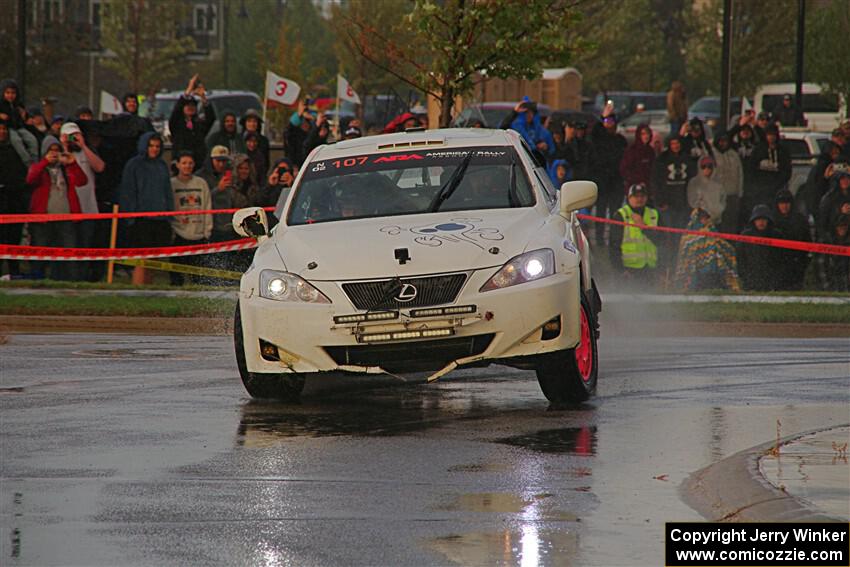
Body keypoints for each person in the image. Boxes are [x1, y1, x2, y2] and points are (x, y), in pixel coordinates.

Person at [26, 135, 88, 281]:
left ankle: (71, 280)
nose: (54, 154)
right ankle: (37, 280)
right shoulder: (38, 167)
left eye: (57, 150)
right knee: (40, 250)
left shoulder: (66, 168)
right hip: (42, 218)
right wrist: (44, 162)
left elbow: (82, 181)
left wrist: (73, 163)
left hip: (66, 217)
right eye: (51, 151)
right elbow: (30, 179)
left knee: (69, 250)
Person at [118, 132, 173, 284]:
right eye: (151, 145)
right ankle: (138, 290)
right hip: (140, 219)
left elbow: (167, 190)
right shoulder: (134, 165)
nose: (154, 149)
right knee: (141, 259)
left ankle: (149, 290)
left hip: (160, 219)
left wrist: (169, 214)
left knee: (154, 260)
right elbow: (128, 192)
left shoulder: (162, 165)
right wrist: (130, 218)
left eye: (157, 146)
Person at [59, 122, 106, 281]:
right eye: (69, 136)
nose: (73, 139)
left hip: (88, 208)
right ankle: (69, 277)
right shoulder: (58, 152)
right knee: (69, 245)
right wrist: (64, 146)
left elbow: (100, 167)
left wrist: (83, 145)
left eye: (75, 135)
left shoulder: (86, 152)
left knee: (86, 244)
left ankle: (83, 277)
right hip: (67, 209)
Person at [170, 151, 212, 286]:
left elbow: (207, 206)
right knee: (176, 275)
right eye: (184, 163)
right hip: (179, 233)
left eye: (190, 163)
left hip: (199, 234)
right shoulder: (171, 184)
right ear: (177, 165)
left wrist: (207, 231)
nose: (187, 166)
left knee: (198, 277)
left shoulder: (201, 183)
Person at [675, 208, 741, 291]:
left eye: (706, 218)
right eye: (702, 218)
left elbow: (720, 242)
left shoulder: (712, 230)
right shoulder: (687, 235)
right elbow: (686, 250)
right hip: (695, 269)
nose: (705, 220)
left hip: (713, 267)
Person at [608, 183, 661, 288]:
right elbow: (614, 245)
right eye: (636, 196)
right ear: (629, 198)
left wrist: (643, 227)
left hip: (649, 269)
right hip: (628, 271)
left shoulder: (654, 214)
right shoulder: (620, 215)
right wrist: (620, 270)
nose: (639, 199)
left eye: (642, 196)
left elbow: (661, 241)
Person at [590, 102, 627, 244]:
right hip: (602, 181)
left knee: (614, 212)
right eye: (606, 121)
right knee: (600, 210)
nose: (609, 124)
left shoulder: (620, 140)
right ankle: (599, 239)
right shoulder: (599, 138)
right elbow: (595, 133)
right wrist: (602, 118)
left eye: (611, 121)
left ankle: (614, 239)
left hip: (616, 182)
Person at [0, 119, 29, 277]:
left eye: (4, 129)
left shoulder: (12, 151)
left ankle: (14, 272)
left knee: (13, 239)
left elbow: (20, 177)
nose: (2, 132)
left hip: (13, 204)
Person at [169, 74, 216, 171]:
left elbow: (211, 118)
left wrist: (203, 97)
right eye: (187, 106)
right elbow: (176, 112)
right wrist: (188, 91)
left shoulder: (198, 124)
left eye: (193, 106)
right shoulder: (177, 123)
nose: (190, 108)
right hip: (180, 164)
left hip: (197, 164)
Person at [746, 124, 791, 213]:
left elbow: (787, 170)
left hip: (777, 188)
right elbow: (751, 168)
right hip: (761, 188)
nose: (771, 137)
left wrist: (779, 182)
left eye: (773, 135)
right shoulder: (759, 150)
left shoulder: (782, 151)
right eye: (769, 135)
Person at [737, 204, 783, 291]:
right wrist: (746, 279)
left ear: (768, 220)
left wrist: (776, 281)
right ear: (753, 220)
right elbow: (740, 260)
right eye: (758, 219)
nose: (761, 222)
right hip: (750, 283)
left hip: (772, 284)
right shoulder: (745, 236)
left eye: (764, 219)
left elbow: (781, 260)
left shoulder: (777, 235)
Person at [652, 135, 694, 229]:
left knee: (682, 227)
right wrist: (660, 201)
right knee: (669, 228)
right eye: (673, 143)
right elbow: (656, 181)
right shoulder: (662, 159)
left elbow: (692, 180)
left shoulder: (687, 158)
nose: (676, 146)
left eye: (677, 143)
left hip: (683, 201)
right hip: (668, 201)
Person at [772, 189, 811, 291]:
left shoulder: (800, 220)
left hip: (796, 264)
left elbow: (807, 241)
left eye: (787, 203)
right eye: (782, 203)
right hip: (777, 265)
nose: (785, 206)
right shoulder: (772, 221)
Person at [711, 133, 744, 233]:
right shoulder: (711, 155)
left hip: (732, 195)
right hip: (716, 197)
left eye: (725, 140)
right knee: (716, 223)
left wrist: (740, 192)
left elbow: (740, 174)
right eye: (721, 140)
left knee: (732, 223)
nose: (723, 143)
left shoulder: (734, 155)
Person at [687, 156, 726, 225]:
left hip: (716, 219)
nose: (706, 169)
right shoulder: (694, 182)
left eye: (709, 166)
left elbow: (723, 199)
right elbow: (692, 201)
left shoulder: (718, 183)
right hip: (700, 220)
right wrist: (703, 214)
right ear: (699, 167)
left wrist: (718, 211)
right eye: (703, 166)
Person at [619, 124, 655, 195]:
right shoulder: (632, 150)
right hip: (634, 187)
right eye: (643, 134)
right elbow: (624, 169)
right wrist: (637, 181)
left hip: (648, 188)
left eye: (648, 133)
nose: (646, 136)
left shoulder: (650, 151)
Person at [817, 214, 849, 292]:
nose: (842, 228)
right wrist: (827, 285)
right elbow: (822, 265)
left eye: (844, 226)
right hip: (831, 281)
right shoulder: (827, 242)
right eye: (840, 226)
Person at [817, 169, 850, 239]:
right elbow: (823, 220)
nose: (845, 181)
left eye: (848, 178)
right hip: (833, 236)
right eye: (842, 179)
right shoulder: (829, 198)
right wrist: (840, 211)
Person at [284, 100, 314, 167]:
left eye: (307, 122)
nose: (305, 124)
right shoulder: (294, 135)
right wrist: (299, 114)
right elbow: (289, 129)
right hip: (295, 165)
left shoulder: (312, 135)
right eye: (303, 121)